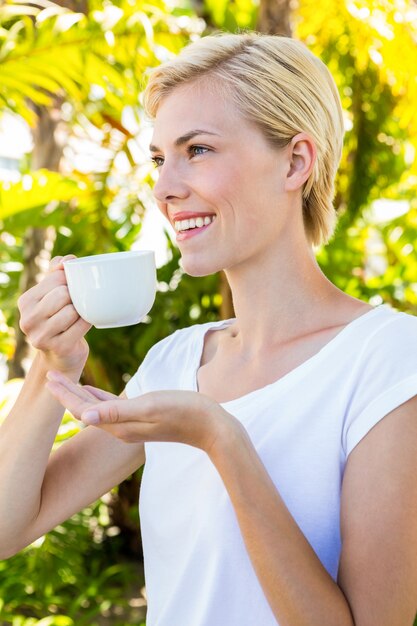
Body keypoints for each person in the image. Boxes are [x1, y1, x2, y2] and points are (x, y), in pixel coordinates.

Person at [1, 31, 417, 626]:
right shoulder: (176, 364)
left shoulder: (389, 360)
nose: (165, 188)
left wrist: (221, 438)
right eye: (158, 158)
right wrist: (51, 365)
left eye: (197, 150)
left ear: (296, 161)